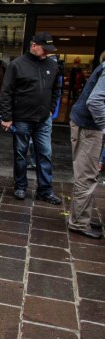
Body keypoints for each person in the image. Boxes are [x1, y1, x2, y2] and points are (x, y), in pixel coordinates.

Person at [0, 32, 62, 204]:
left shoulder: (52, 65)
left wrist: (50, 109)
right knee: (20, 155)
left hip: (43, 120)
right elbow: (6, 92)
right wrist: (7, 117)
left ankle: (45, 191)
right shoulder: (17, 65)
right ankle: (20, 187)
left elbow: (56, 88)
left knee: (45, 154)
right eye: (44, 49)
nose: (47, 52)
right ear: (33, 45)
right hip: (21, 118)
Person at [67, 59, 105, 239]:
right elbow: (95, 101)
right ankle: (79, 222)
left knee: (86, 174)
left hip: (87, 124)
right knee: (86, 175)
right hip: (89, 127)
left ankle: (81, 217)